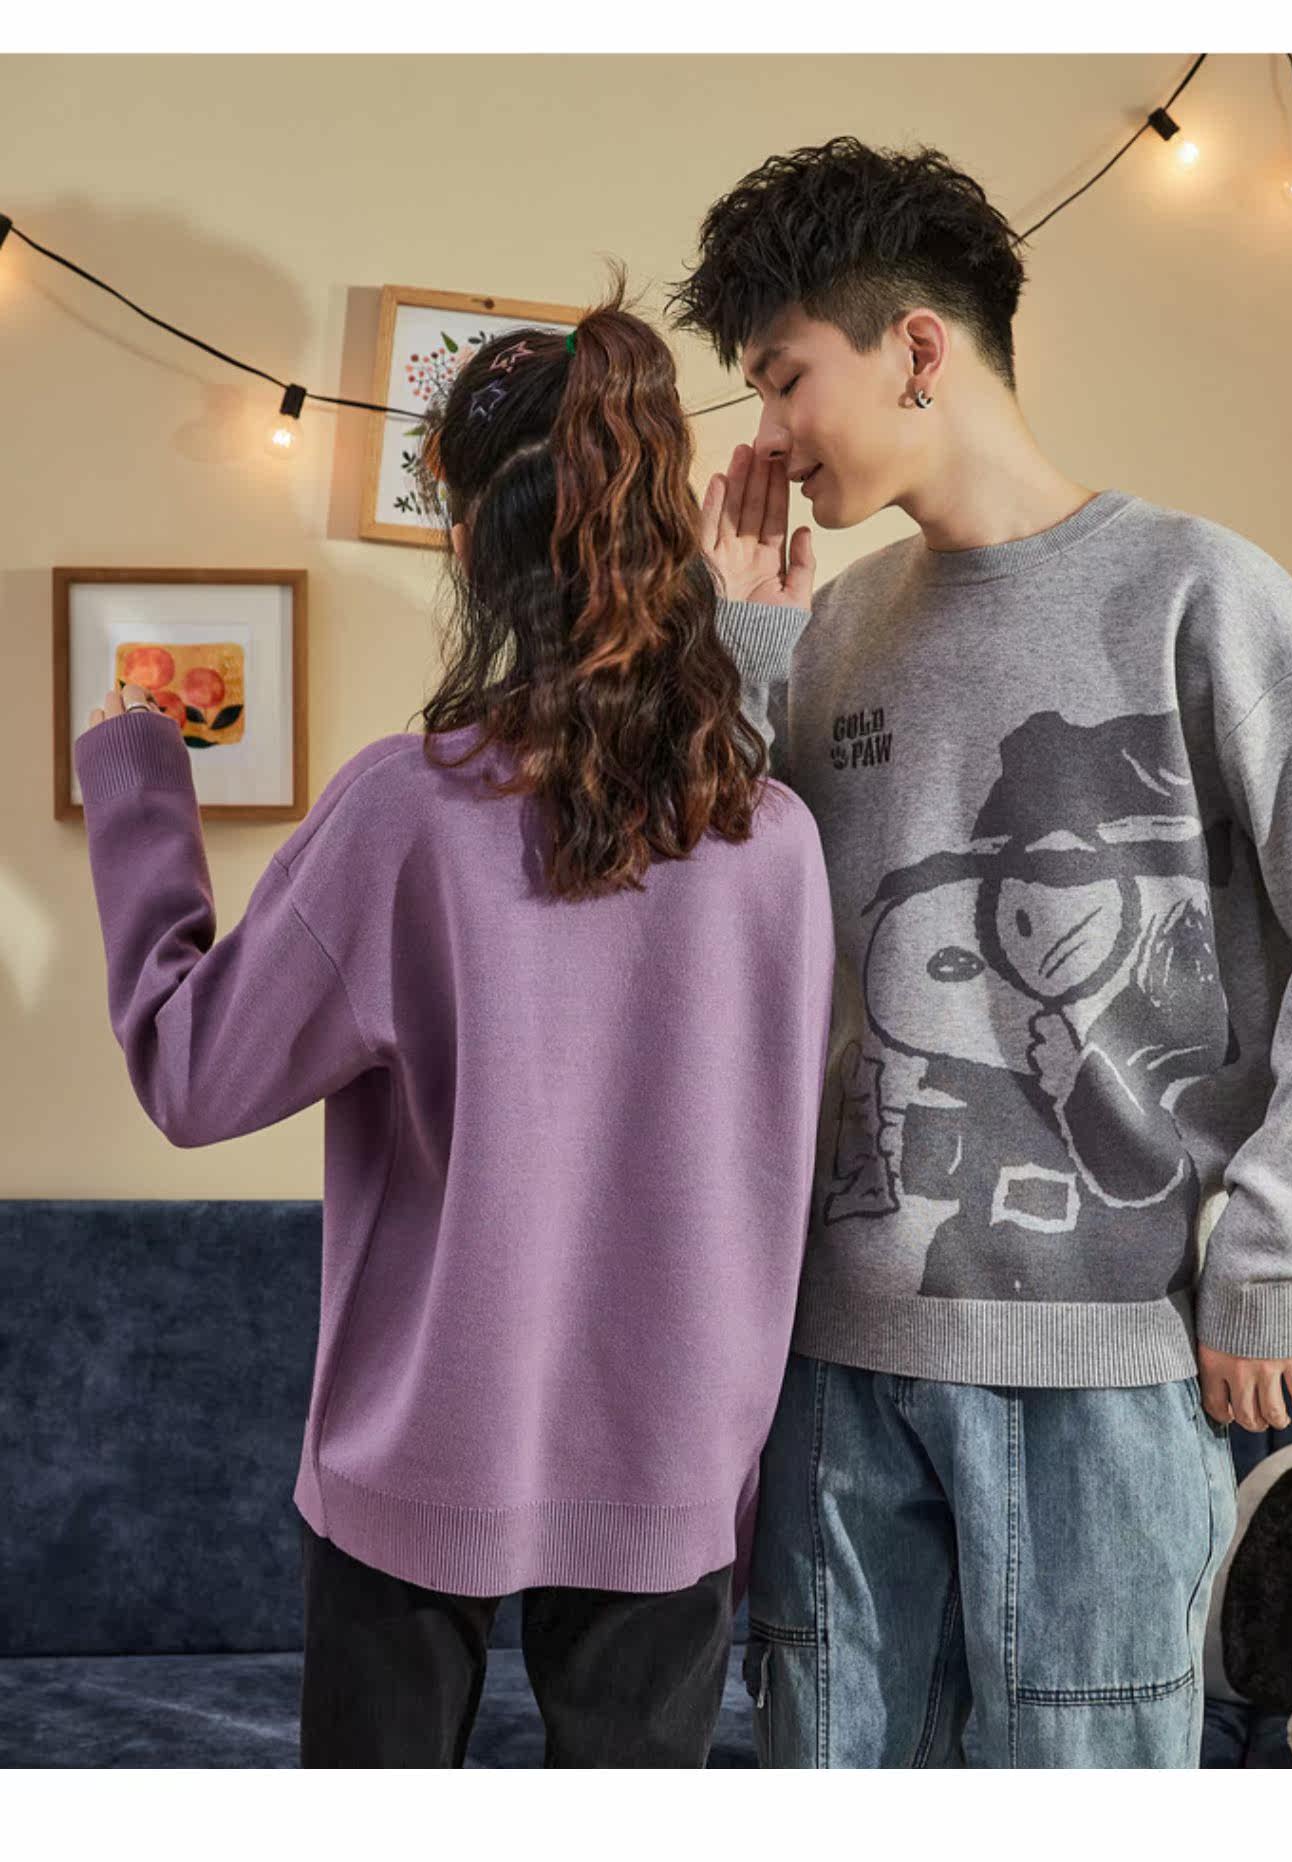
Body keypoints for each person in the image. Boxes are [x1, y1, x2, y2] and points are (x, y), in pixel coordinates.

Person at [663, 134, 1292, 1767]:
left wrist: (1270, 1248)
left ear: (917, 349)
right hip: (832, 1375)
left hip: (1105, 1380)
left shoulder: (1200, 594)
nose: (766, 435)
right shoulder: (829, 628)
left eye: (785, 377)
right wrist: (740, 651)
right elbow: (721, 937)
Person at [72, 261, 836, 1768]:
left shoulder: (407, 815)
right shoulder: (777, 841)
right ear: (662, 535)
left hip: (425, 1446)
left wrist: (143, 787)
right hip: (676, 1457)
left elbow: (192, 1074)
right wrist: (743, 673)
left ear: (477, 549)